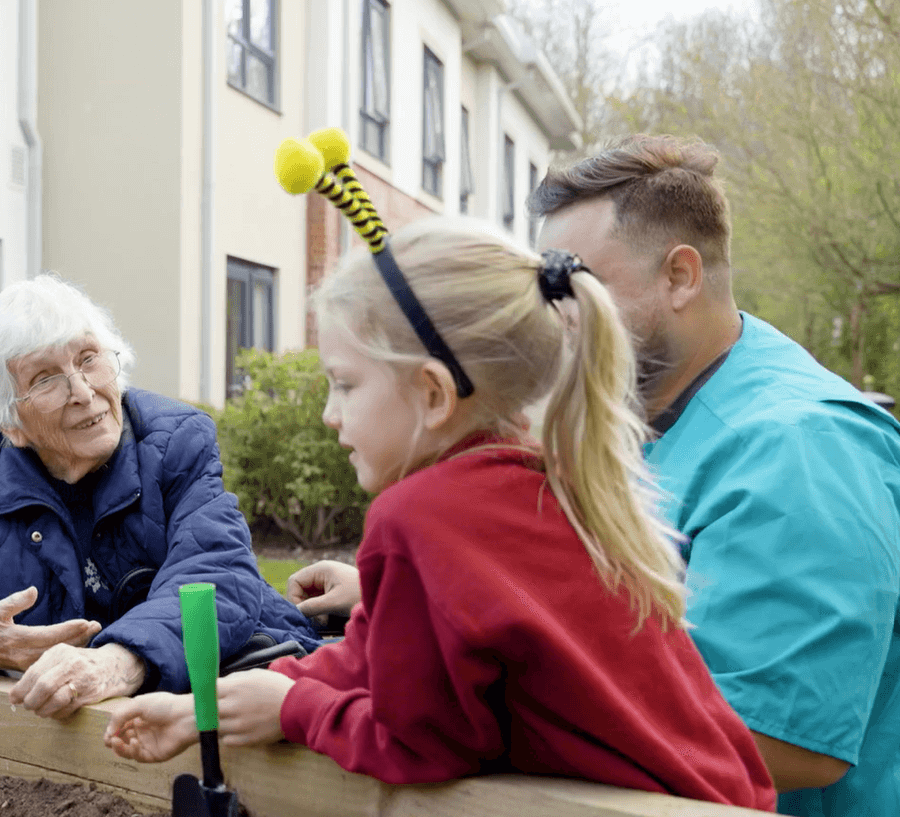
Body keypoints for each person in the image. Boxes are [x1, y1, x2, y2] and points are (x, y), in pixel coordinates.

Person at [104, 220, 776, 809]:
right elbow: (372, 657)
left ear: (430, 392)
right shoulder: (534, 474)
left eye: (345, 383)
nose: (329, 414)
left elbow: (427, 746)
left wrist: (295, 709)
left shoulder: (420, 515)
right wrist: (210, 707)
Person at [528, 135, 900, 817]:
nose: (558, 318)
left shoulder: (802, 446)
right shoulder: (665, 411)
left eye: (577, 284)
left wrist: (492, 711)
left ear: (680, 276)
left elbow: (781, 739)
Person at [0, 275, 319, 720]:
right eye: (46, 378)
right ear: (10, 422)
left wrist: (118, 659)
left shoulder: (175, 444)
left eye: (89, 358)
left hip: (246, 691)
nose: (82, 390)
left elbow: (217, 575)